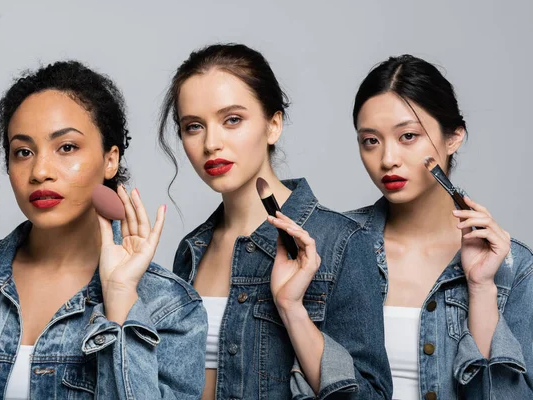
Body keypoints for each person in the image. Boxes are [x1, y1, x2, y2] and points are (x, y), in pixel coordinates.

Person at [0, 60, 206, 399]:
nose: (40, 170)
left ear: (110, 160)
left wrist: (120, 298)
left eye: (66, 147)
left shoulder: (171, 307)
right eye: (23, 152)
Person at [158, 43, 392, 399]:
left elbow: (370, 394)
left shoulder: (340, 242)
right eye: (193, 126)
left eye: (232, 120)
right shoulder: (191, 250)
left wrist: (291, 310)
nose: (211, 143)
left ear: (273, 125)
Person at [346, 54, 533, 399]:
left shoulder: (515, 267)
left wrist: (481, 289)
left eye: (408, 137)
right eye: (370, 140)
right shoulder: (334, 246)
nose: (388, 159)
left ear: (453, 137)